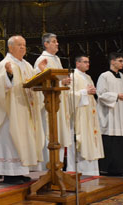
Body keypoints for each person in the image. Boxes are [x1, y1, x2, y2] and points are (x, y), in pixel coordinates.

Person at [0, 35, 46, 184]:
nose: (23, 48)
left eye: (24, 45)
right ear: (10, 47)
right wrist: (9, 75)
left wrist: (40, 72)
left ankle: (20, 171)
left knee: (24, 140)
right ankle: (9, 174)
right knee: (12, 140)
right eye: (19, 45)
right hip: (10, 112)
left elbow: (33, 82)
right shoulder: (4, 64)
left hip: (25, 110)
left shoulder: (26, 65)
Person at [33, 33, 72, 168]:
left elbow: (57, 79)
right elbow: (36, 79)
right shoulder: (42, 59)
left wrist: (64, 81)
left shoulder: (56, 59)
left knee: (59, 134)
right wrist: (41, 70)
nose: (57, 44)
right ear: (46, 44)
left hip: (58, 103)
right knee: (49, 134)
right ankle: (46, 167)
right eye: (54, 41)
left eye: (57, 41)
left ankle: (58, 165)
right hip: (48, 105)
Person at [96, 52, 123, 176]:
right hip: (110, 113)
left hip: (121, 111)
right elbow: (101, 94)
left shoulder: (122, 76)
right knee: (112, 142)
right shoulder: (104, 76)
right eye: (120, 61)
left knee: (122, 141)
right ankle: (111, 169)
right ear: (112, 62)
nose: (122, 63)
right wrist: (116, 96)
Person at [67, 55, 104, 176]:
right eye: (85, 62)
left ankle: (91, 171)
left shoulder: (88, 77)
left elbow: (90, 93)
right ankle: (79, 172)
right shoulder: (73, 76)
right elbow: (69, 96)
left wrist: (93, 92)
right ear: (77, 64)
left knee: (91, 141)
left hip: (90, 115)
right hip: (79, 116)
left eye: (88, 62)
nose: (88, 64)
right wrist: (85, 92)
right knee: (81, 142)